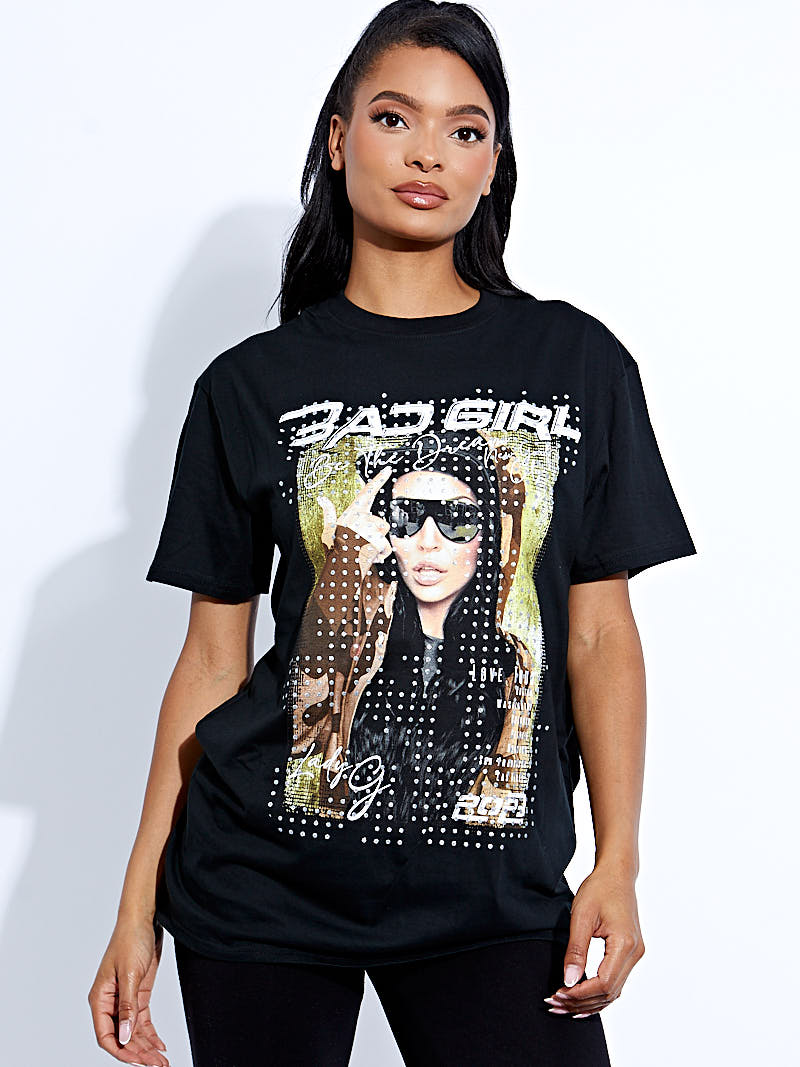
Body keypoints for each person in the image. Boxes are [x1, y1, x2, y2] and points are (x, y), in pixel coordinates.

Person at [88, 3, 698, 1064]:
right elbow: (212, 661)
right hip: (259, 889)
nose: (428, 153)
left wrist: (619, 857)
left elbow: (601, 634)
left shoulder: (575, 362)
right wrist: (136, 900)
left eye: (465, 130)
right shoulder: (249, 385)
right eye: (392, 118)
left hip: (495, 894)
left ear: (493, 164)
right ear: (338, 140)